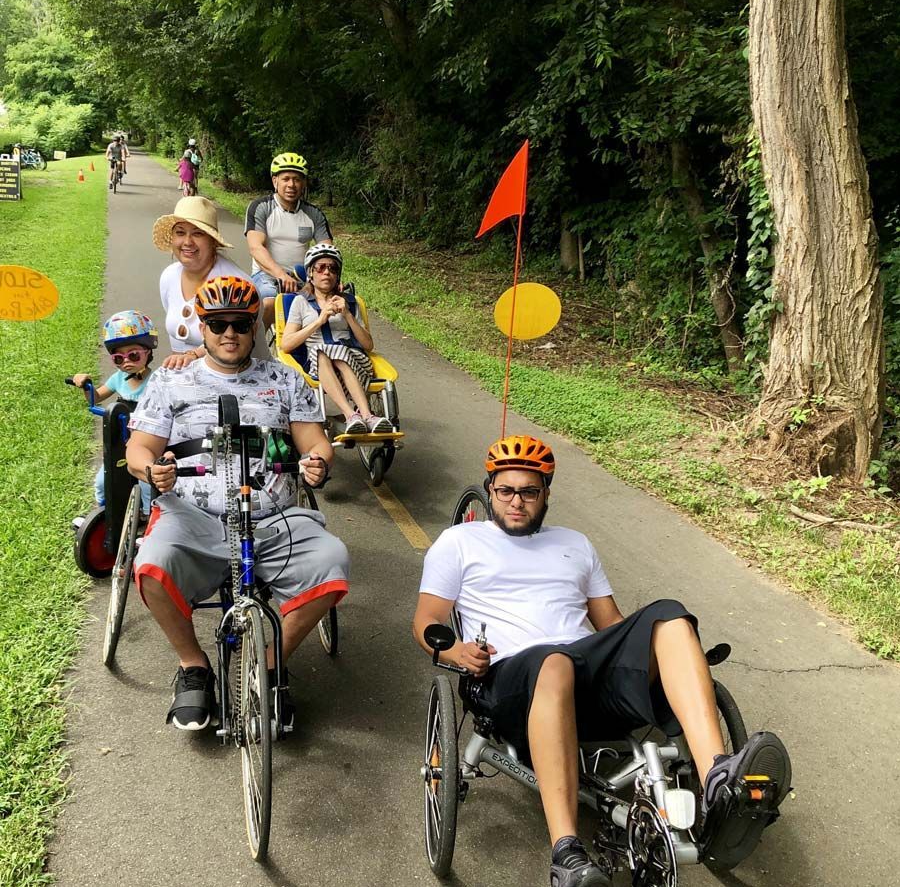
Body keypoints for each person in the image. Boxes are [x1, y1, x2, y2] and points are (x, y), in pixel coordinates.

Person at [413, 436, 792, 887]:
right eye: (505, 491)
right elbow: (427, 621)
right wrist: (457, 652)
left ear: (546, 494)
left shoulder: (575, 544)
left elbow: (611, 625)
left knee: (668, 616)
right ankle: (566, 854)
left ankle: (719, 782)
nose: (517, 502)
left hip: (583, 672)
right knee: (553, 662)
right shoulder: (459, 542)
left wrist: (667, 651)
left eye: (529, 492)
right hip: (509, 677)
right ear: (490, 489)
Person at [126, 277, 349, 731]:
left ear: (255, 329)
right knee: (152, 564)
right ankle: (194, 667)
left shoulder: (286, 379)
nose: (230, 333)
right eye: (218, 323)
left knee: (333, 562)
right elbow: (138, 449)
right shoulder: (171, 379)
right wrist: (152, 471)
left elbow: (316, 444)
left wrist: (316, 464)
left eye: (241, 324)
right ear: (201, 327)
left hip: (273, 516)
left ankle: (268, 666)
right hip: (193, 516)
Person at [279, 244, 391, 434]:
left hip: (355, 360)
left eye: (332, 268)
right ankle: (357, 415)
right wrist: (320, 320)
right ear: (310, 274)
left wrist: (347, 314)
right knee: (322, 351)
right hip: (318, 364)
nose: (327, 273)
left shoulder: (349, 302)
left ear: (338, 274)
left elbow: (368, 345)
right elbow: (286, 344)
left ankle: (360, 416)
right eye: (320, 267)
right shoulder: (300, 302)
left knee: (332, 353)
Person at [70, 310, 157, 515]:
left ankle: (147, 518)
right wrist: (86, 386)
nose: (126, 361)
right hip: (119, 438)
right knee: (102, 481)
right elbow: (97, 397)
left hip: (145, 439)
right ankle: (103, 515)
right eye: (119, 358)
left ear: (148, 352)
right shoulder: (118, 378)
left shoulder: (156, 381)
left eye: (133, 355)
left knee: (146, 483)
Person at [152, 196, 250, 369]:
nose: (188, 242)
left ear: (213, 241)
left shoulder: (235, 285)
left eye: (198, 233)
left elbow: (238, 342)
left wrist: (193, 355)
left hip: (232, 374)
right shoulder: (169, 276)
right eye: (180, 232)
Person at [244, 152, 332, 328]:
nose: (291, 184)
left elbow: (327, 251)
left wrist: (320, 278)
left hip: (303, 277)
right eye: (286, 179)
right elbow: (256, 248)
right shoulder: (261, 207)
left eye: (297, 179)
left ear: (304, 183)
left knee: (325, 309)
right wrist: (281, 275)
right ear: (275, 181)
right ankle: (254, 348)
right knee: (269, 304)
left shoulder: (314, 214)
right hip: (267, 276)